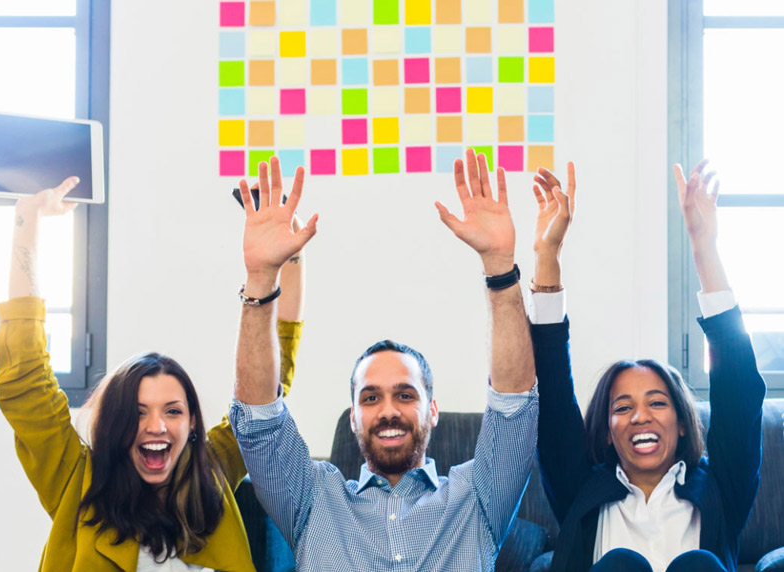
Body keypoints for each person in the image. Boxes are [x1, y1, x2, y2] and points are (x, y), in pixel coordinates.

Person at [230, 151, 538, 571]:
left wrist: (500, 269)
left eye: (405, 395)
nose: (388, 410)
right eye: (371, 398)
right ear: (353, 418)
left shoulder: (477, 498)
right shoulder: (312, 500)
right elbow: (258, 422)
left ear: (432, 410)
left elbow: (514, 405)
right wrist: (261, 278)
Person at [0, 176, 306, 571]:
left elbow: (267, 385)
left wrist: (286, 259)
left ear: (193, 423)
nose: (156, 426)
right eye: (137, 413)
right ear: (113, 423)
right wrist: (27, 221)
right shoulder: (77, 479)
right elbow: (27, 380)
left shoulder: (211, 472)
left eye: (172, 411)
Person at [528, 161, 765, 572]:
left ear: (683, 422)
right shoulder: (583, 491)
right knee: (621, 565)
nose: (640, 416)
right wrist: (548, 256)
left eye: (656, 402)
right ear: (606, 431)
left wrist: (704, 250)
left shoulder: (720, 490)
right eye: (623, 407)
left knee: (698, 565)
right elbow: (551, 394)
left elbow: (740, 397)